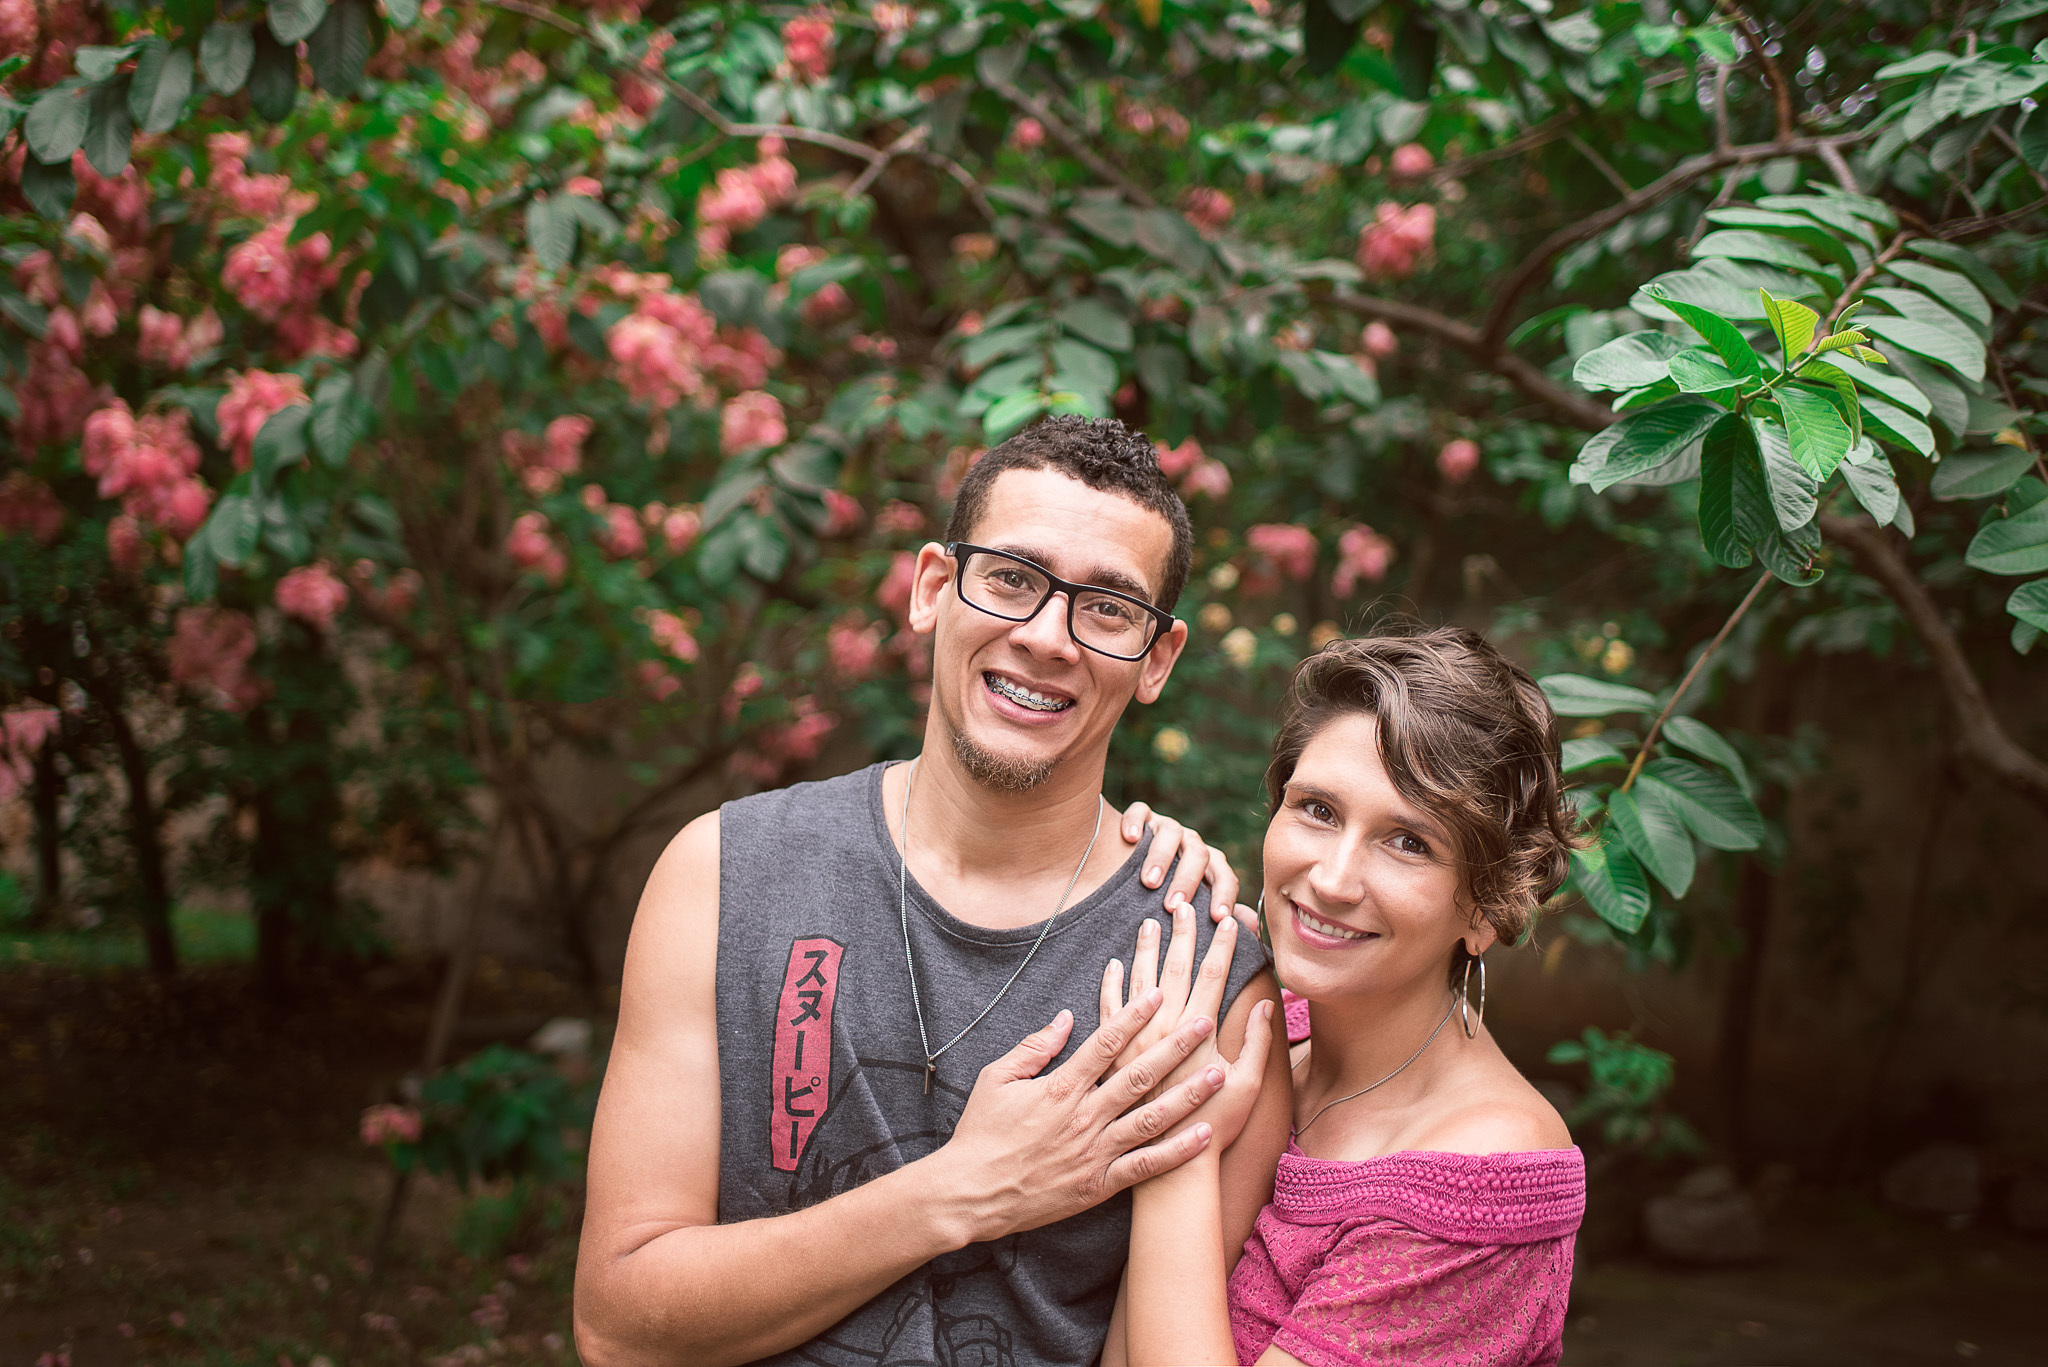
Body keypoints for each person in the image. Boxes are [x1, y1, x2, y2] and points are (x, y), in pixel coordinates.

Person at [574, 417, 1292, 1367]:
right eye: (1011, 578)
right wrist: (962, 1189)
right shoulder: (722, 875)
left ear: (1157, 658)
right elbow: (618, 1328)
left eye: (1109, 608)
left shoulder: (1205, 980)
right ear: (931, 588)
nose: (1046, 637)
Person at [1102, 625, 1589, 1367]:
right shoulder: (1269, 1027)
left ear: (1487, 909)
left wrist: (1180, 1145)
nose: (1330, 878)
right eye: (1318, 810)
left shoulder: (1480, 1180)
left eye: (1408, 842)